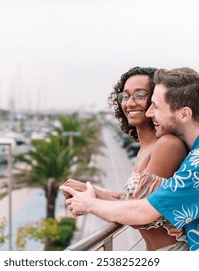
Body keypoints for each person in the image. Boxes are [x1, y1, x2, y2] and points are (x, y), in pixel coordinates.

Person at [61, 67, 199, 251]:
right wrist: (94, 193)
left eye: (155, 105)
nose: (150, 112)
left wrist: (90, 204)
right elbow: (148, 202)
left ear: (184, 114)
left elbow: (144, 212)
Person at [61, 66, 189, 250]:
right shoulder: (145, 148)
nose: (129, 103)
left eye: (139, 94)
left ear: (156, 100)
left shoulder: (167, 145)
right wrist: (89, 189)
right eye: (125, 96)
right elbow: (132, 202)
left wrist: (90, 203)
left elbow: (140, 216)